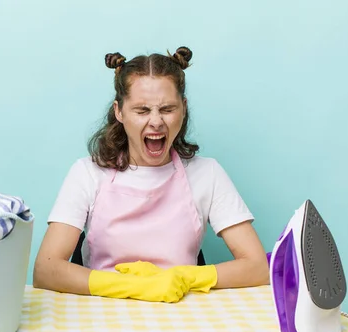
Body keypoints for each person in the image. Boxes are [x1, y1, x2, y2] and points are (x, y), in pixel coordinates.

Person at [33, 46, 269, 303]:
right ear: (119, 112)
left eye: (167, 109)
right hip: (101, 315)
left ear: (184, 108)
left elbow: (258, 267)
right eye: (142, 111)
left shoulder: (207, 173)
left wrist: (185, 277)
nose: (156, 122)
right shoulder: (88, 173)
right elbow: (46, 270)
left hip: (182, 314)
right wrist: (130, 285)